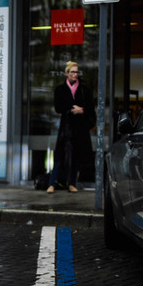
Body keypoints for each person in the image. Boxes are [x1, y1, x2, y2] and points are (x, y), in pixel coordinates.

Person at [47, 61, 95, 194]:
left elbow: (91, 107)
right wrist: (71, 108)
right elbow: (58, 107)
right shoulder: (60, 89)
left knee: (76, 157)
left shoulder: (84, 90)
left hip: (79, 128)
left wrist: (82, 110)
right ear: (66, 73)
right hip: (66, 127)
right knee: (60, 156)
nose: (75, 74)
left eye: (77, 72)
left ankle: (72, 183)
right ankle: (52, 183)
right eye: (72, 72)